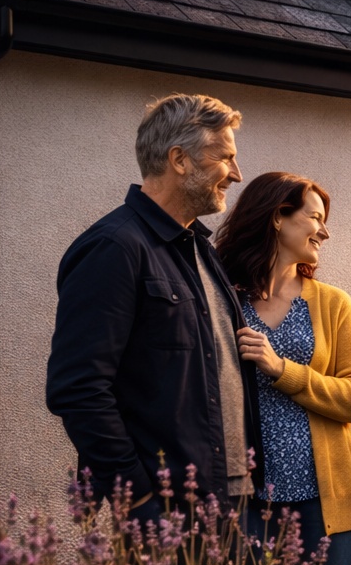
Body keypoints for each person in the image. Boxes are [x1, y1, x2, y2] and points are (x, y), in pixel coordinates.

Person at [47, 94, 259, 521]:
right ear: (180, 160)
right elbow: (79, 388)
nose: (236, 174)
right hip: (169, 507)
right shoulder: (114, 248)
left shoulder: (200, 246)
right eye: (226, 158)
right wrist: (139, 496)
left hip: (233, 496)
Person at [214, 172, 351, 565]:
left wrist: (283, 370)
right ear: (278, 217)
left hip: (320, 499)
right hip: (245, 497)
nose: (323, 232)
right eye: (314, 218)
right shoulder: (222, 300)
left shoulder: (331, 304)